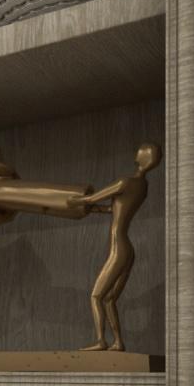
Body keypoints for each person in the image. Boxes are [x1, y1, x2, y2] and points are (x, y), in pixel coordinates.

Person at [74, 143, 160, 351]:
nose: (137, 151)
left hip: (118, 246)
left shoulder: (125, 182)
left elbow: (93, 198)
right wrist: (95, 208)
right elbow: (113, 209)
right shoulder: (143, 188)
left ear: (143, 158)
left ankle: (101, 341)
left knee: (96, 296)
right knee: (110, 299)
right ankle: (119, 342)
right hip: (128, 249)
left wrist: (71, 201)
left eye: (141, 150)